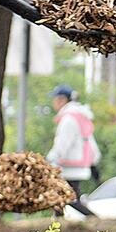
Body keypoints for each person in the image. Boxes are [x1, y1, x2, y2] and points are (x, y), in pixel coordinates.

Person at [46, 84, 100, 217]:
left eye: (55, 99)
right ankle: (57, 223)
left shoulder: (69, 119)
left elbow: (62, 144)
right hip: (79, 163)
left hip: (69, 165)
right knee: (61, 196)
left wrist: (50, 159)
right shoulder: (79, 115)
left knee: (68, 197)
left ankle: (94, 219)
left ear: (62, 100)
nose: (53, 103)